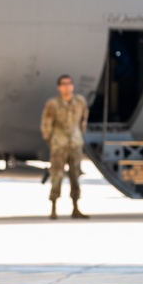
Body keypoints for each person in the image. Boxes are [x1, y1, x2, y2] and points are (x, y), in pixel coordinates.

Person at [40, 74, 90, 220]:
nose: (67, 87)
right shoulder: (53, 104)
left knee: (75, 175)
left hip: (75, 143)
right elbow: (46, 123)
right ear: (59, 87)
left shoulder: (80, 102)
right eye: (64, 84)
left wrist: (78, 137)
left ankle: (75, 207)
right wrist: (51, 140)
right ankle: (54, 207)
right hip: (59, 144)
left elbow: (83, 121)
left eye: (69, 84)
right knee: (57, 175)